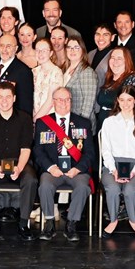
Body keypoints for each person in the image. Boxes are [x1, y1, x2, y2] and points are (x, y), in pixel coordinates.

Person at [34, 87, 95, 242]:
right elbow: (38, 151)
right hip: (53, 170)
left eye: (67, 99)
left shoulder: (83, 123)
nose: (64, 103)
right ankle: (49, 223)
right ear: (53, 102)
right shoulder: (43, 123)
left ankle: (71, 224)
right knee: (45, 186)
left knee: (82, 187)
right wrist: (51, 168)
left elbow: (90, 153)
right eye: (60, 100)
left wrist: (77, 169)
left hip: (76, 170)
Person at [0, 82, 37, 241]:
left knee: (31, 180)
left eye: (8, 97)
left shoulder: (25, 119)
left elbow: (26, 149)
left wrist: (19, 168)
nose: (4, 101)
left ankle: (23, 224)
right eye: (0, 97)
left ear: (14, 98)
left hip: (20, 162)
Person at [99, 86, 135, 238]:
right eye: (122, 100)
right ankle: (113, 220)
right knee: (113, 188)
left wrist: (134, 171)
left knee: (129, 189)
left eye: (129, 100)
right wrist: (113, 169)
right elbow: (106, 151)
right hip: (112, 165)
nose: (125, 104)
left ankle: (133, 221)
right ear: (117, 101)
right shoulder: (109, 122)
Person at [95, 46, 135, 128]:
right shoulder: (109, 78)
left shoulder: (133, 79)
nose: (115, 61)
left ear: (127, 61)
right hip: (102, 124)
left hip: (121, 127)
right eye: (112, 58)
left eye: (119, 58)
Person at [63, 36, 99, 133]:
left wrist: (80, 126)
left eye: (76, 47)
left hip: (81, 126)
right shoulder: (65, 69)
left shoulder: (87, 72)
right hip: (68, 121)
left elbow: (88, 104)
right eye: (69, 47)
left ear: (82, 50)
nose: (72, 50)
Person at [32, 38, 65, 120]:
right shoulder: (34, 71)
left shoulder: (56, 73)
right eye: (37, 50)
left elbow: (50, 101)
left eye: (44, 51)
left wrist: (35, 119)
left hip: (50, 119)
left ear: (51, 53)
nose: (40, 53)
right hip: (33, 115)